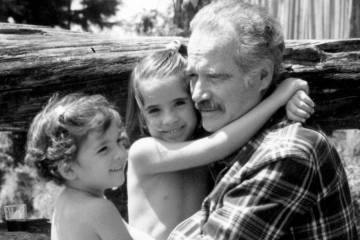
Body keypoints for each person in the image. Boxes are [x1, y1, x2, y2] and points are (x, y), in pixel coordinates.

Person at [167, 1, 358, 240]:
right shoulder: (238, 137)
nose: (197, 95)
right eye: (193, 75)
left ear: (263, 76)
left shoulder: (288, 153)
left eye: (214, 77)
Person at [126, 45, 314, 240]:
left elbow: (245, 114)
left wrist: (291, 102)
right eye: (154, 110)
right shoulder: (143, 152)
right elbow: (217, 146)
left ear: (195, 99)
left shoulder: (205, 138)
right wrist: (281, 96)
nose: (169, 119)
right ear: (142, 117)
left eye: (179, 103)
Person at [25, 93, 153, 240]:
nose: (121, 153)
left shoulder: (65, 202)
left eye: (119, 140)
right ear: (68, 169)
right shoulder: (100, 210)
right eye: (103, 149)